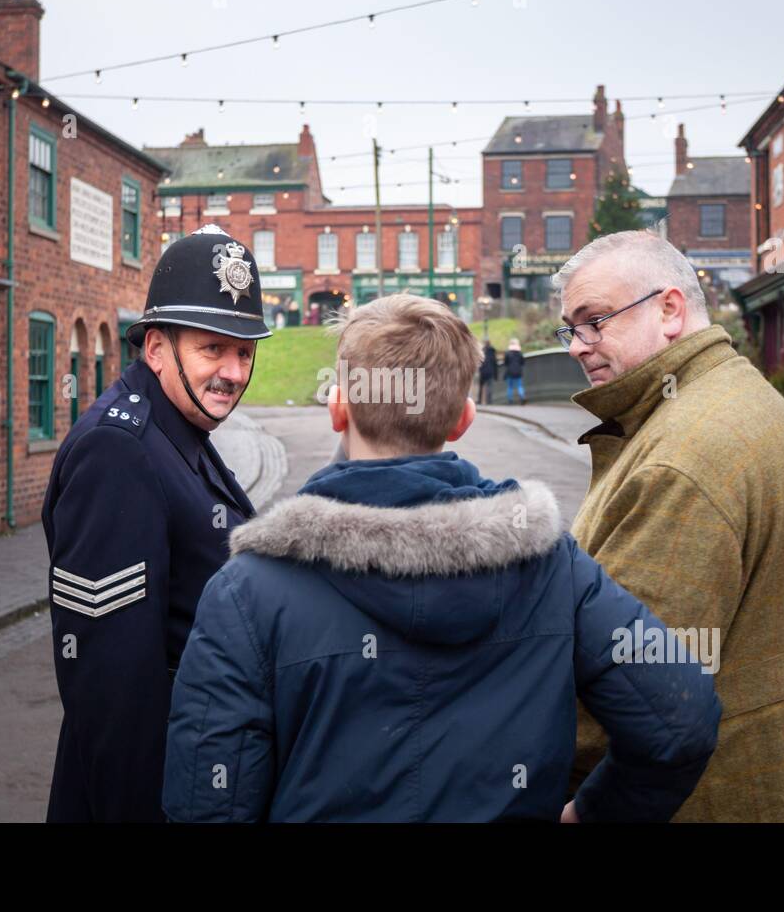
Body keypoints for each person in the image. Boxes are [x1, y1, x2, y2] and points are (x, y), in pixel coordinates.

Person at [162, 293, 721, 823]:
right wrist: (593, 812)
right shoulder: (554, 566)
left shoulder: (247, 591)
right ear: (463, 418)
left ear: (338, 407)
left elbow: (207, 802)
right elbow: (681, 722)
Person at [553, 230, 784, 821]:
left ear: (669, 309)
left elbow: (635, 693)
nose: (579, 346)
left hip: (708, 800)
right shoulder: (742, 397)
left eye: (596, 320)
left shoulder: (679, 457)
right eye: (571, 329)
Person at [42, 224, 271, 822]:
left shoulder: (178, 429)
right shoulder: (119, 451)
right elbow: (110, 683)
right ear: (156, 349)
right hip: (146, 792)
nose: (232, 371)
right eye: (211, 348)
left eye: (244, 351)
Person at [503, 337, 525, 404]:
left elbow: (505, 363)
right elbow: (523, 362)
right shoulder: (520, 353)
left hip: (510, 372)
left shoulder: (507, 353)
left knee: (510, 387)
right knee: (519, 386)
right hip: (518, 372)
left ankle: (510, 400)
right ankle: (522, 397)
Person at [477, 340, 497, 405]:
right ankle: (489, 401)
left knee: (481, 386)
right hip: (490, 372)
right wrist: (496, 375)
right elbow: (495, 363)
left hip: (483, 372)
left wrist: (480, 370)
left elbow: (480, 361)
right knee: (489, 387)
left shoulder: (483, 351)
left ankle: (479, 400)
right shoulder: (492, 352)